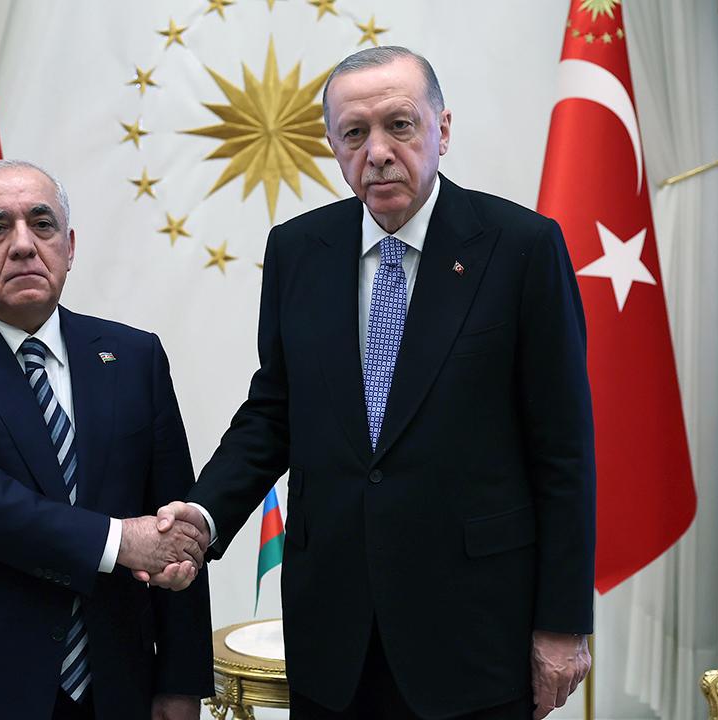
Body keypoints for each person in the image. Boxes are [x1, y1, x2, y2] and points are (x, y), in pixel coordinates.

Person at [148, 47, 596, 719]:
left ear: (443, 129)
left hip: (475, 632)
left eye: (400, 125)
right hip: (334, 635)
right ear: (333, 144)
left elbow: (563, 450)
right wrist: (203, 516)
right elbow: (274, 413)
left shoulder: (521, 247)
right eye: (355, 133)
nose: (378, 152)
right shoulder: (299, 250)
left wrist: (562, 623)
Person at [0, 159, 211, 719]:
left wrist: (180, 681)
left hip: (114, 685)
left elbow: (173, 518)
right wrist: (118, 541)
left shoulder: (134, 357)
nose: (24, 245)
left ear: (68, 247)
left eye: (42, 224)